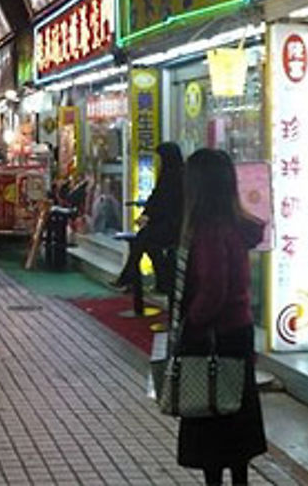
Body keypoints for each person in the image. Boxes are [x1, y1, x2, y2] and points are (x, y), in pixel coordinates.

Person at [174, 149, 266, 486]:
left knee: (211, 418)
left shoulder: (209, 230)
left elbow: (213, 289)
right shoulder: (234, 226)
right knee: (236, 420)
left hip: (215, 335)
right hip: (238, 332)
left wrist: (191, 324)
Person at [114, 142, 184, 294]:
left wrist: (148, 217)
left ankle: (129, 276)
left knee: (143, 239)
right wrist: (146, 215)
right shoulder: (170, 175)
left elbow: (165, 203)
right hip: (166, 224)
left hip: (174, 226)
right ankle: (159, 281)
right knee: (147, 243)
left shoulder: (175, 177)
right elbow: (156, 199)